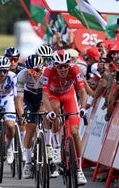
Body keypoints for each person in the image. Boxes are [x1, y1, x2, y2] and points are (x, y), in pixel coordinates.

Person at [42, 49, 88, 185]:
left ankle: (79, 169)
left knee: (75, 133)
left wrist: (83, 107)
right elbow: (44, 96)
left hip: (68, 95)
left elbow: (82, 91)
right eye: (59, 66)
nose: (62, 69)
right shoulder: (48, 71)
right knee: (55, 109)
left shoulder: (75, 69)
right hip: (53, 95)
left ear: (69, 64)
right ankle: (56, 146)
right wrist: (49, 111)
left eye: (65, 66)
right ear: (54, 65)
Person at [16, 54, 58, 178]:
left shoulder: (46, 73)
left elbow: (49, 95)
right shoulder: (22, 75)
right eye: (31, 70)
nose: (34, 73)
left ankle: (48, 145)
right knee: (30, 128)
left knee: (45, 113)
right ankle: (28, 163)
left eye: (37, 70)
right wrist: (22, 116)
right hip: (28, 98)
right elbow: (19, 99)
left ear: (42, 67)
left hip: (42, 96)